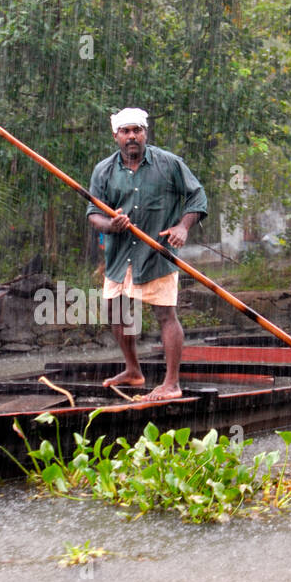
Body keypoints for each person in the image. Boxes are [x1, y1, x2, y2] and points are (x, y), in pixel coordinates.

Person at [86, 108, 207, 401]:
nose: (131, 137)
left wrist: (182, 226)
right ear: (116, 136)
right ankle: (133, 371)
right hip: (119, 257)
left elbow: (197, 197)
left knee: (165, 315)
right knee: (117, 312)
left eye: (136, 131)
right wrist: (111, 225)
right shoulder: (103, 170)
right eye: (125, 132)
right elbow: (93, 214)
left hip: (157, 255)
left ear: (145, 133)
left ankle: (171, 383)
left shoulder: (168, 164)